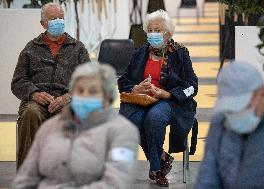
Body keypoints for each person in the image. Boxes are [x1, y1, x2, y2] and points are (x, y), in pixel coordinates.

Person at [11, 62, 139, 189]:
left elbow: (116, 182)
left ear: (108, 97)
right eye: (80, 90)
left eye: (93, 91)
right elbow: (26, 176)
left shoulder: (123, 132)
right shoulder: (49, 128)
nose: (85, 96)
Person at [118, 9, 198, 187]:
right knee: (129, 119)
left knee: (154, 118)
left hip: (169, 101)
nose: (154, 34)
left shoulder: (180, 53)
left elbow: (192, 86)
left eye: (158, 30)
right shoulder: (140, 53)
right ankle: (161, 157)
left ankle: (156, 169)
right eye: (151, 30)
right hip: (143, 99)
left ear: (168, 34)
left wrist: (168, 94)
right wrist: (136, 88)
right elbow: (123, 80)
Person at [11, 2, 90, 168]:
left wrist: (67, 98)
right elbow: (18, 81)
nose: (58, 22)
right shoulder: (30, 48)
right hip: (36, 102)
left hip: (66, 102)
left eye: (61, 18)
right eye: (53, 18)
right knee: (31, 113)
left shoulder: (78, 48)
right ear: (43, 23)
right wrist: (33, 93)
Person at [194, 61, 264, 189]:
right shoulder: (221, 121)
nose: (234, 114)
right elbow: (207, 177)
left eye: (242, 107)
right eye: (229, 110)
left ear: (263, 94)